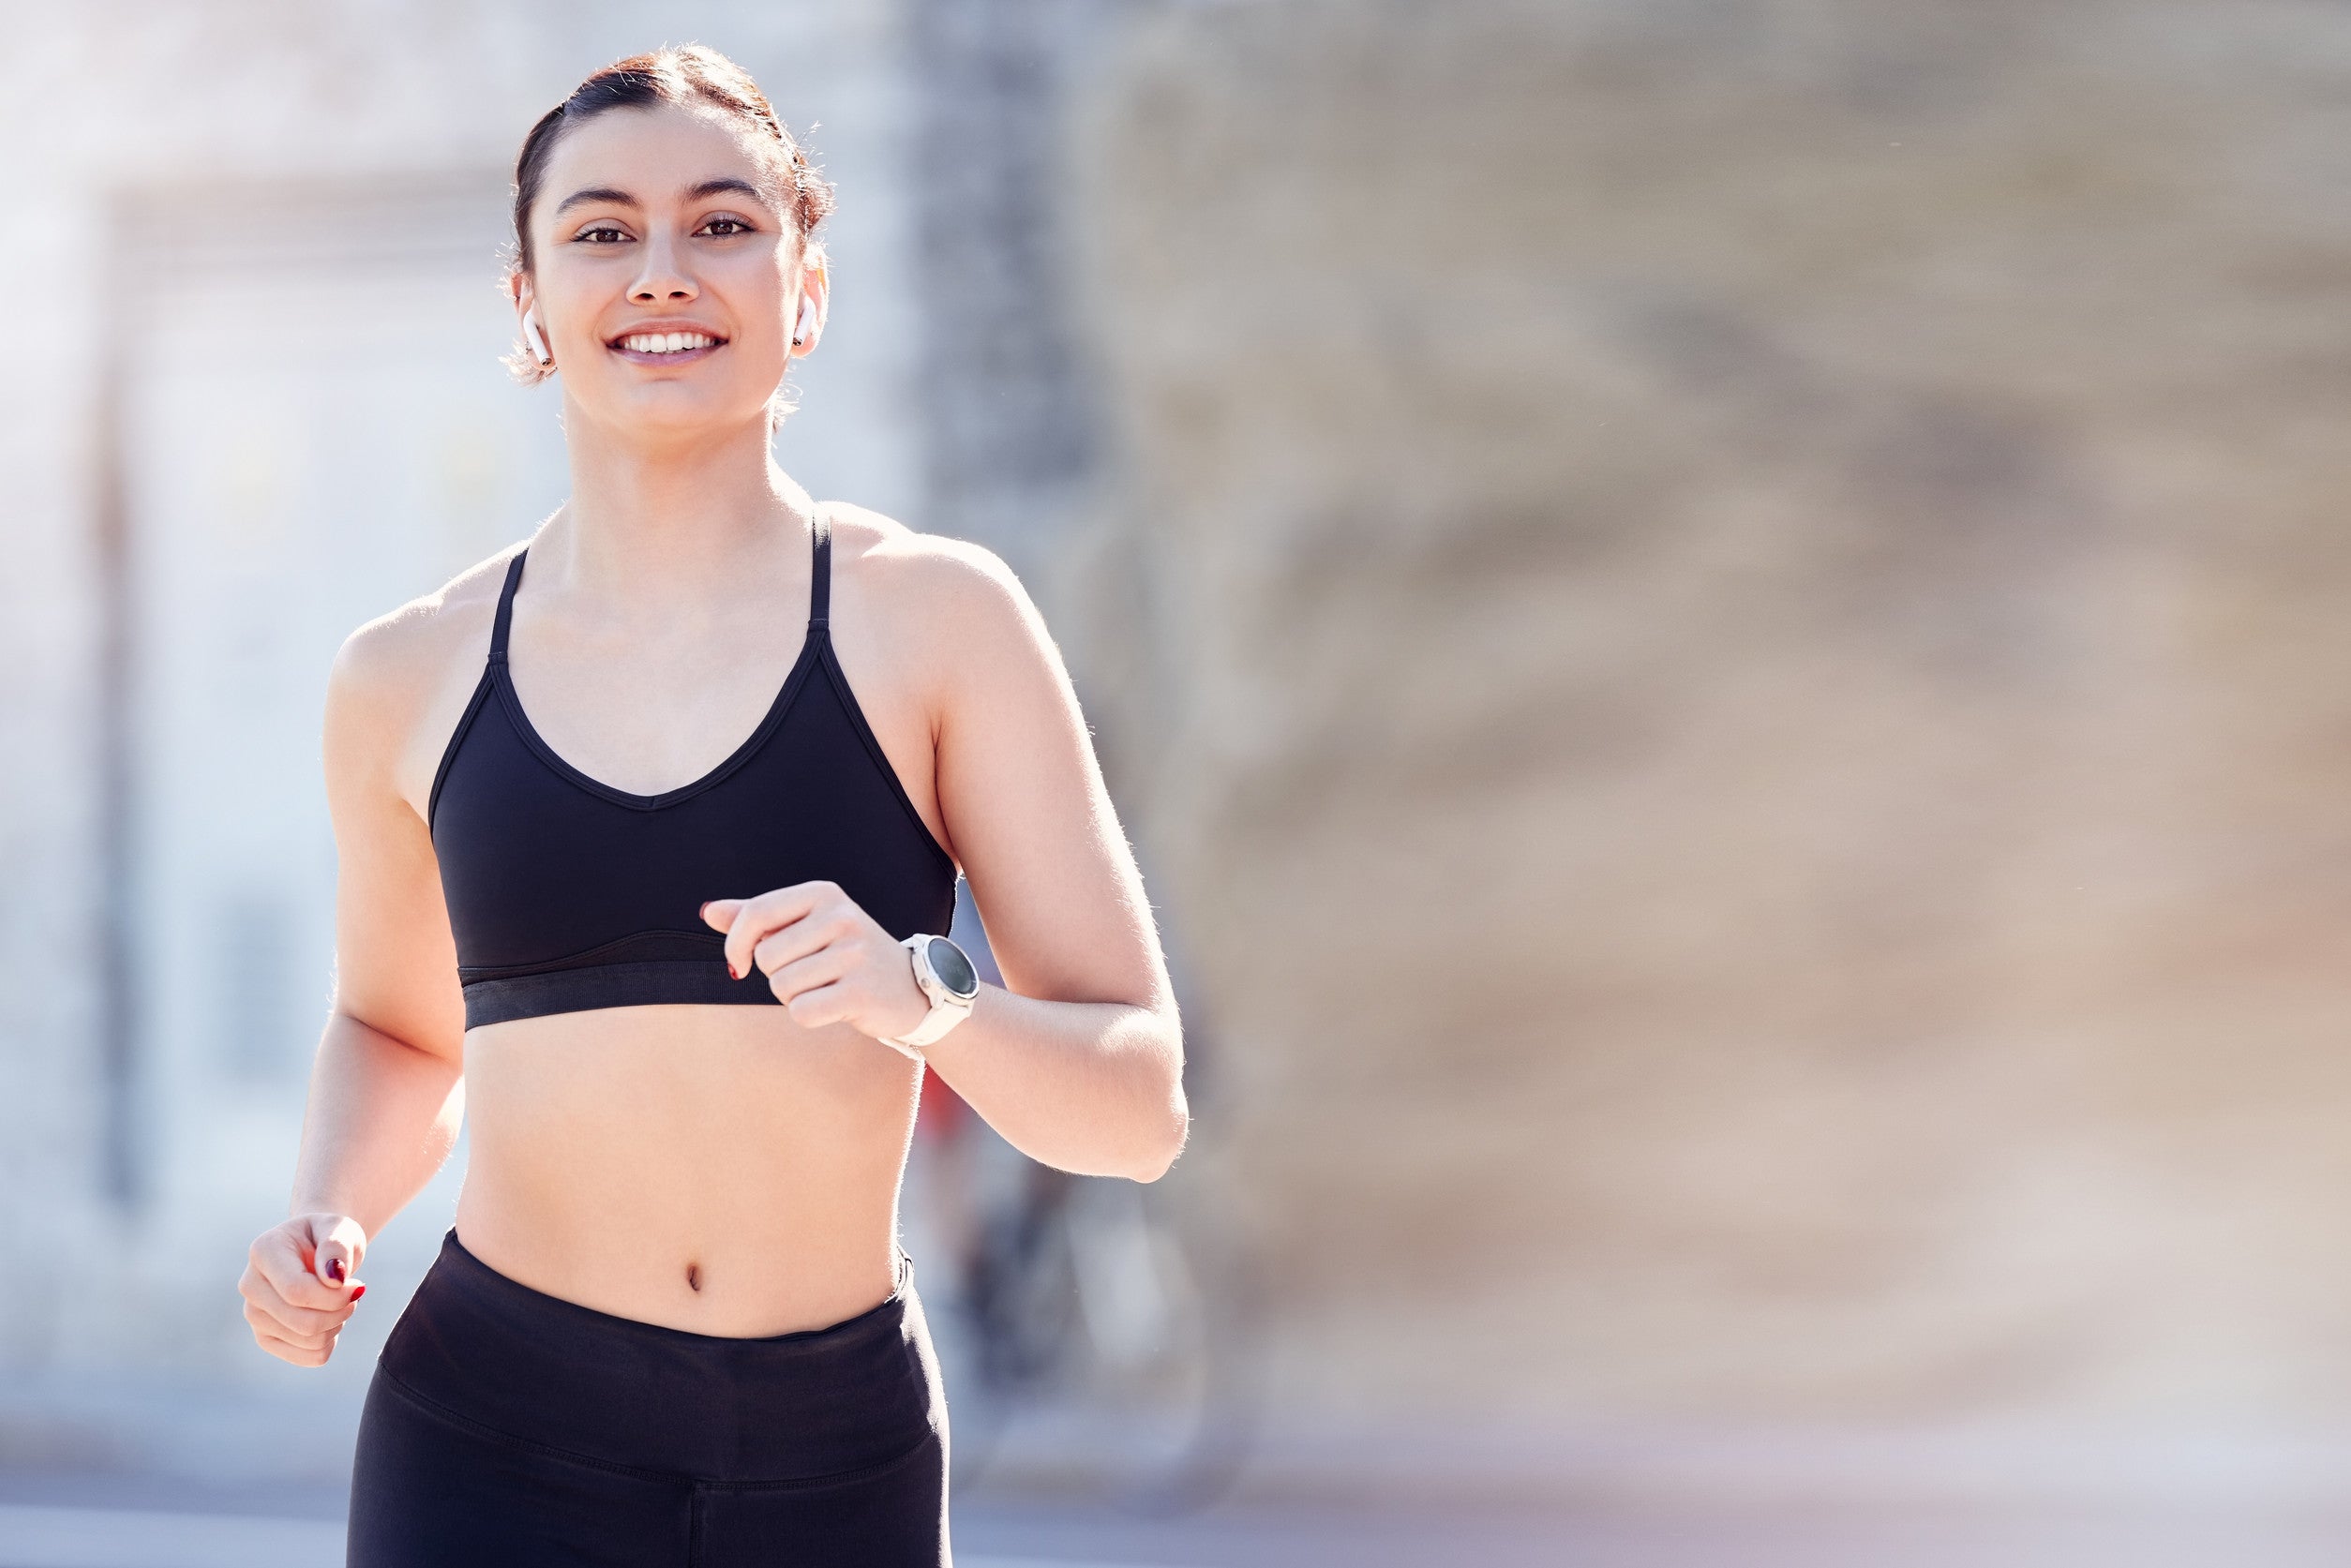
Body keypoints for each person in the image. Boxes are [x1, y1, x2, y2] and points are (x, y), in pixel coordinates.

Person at [232, 43, 1189, 1567]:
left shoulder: (939, 621)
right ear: (530, 304)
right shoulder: (404, 676)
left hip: (835, 1455)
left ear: (805, 288)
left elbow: (1139, 1104)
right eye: (601, 230)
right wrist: (324, 1215)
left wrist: (924, 1001)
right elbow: (399, 1032)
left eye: (724, 223)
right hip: (493, 1434)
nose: (662, 271)